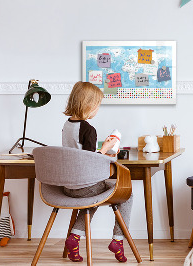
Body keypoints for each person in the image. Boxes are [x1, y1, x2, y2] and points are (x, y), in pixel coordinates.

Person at [62, 81, 132, 263]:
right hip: (85, 186)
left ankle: (74, 238)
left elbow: (79, 154)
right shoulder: (88, 129)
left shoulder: (67, 125)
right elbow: (89, 161)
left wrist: (101, 149)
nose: (97, 109)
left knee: (93, 198)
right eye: (98, 105)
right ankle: (118, 240)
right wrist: (106, 149)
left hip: (68, 186)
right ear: (88, 105)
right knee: (127, 194)